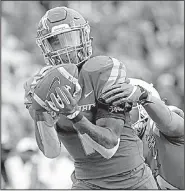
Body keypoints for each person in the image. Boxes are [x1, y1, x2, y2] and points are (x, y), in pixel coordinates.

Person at [24, 7, 158, 189]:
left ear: (84, 37)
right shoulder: (44, 85)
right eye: (55, 42)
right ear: (45, 47)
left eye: (69, 38)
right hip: (86, 183)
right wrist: (40, 113)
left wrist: (74, 115)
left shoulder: (102, 70)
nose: (65, 48)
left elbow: (109, 147)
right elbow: (51, 151)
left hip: (132, 181)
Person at [101, 78, 184, 189]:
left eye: (121, 108)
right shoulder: (122, 155)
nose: (115, 117)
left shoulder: (160, 125)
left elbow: (168, 122)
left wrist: (143, 97)